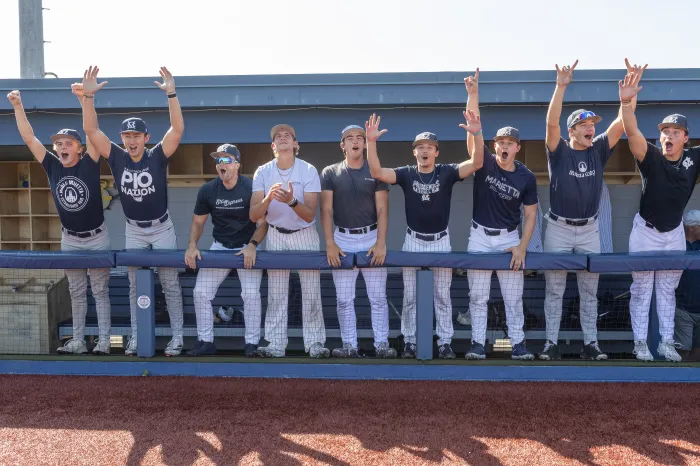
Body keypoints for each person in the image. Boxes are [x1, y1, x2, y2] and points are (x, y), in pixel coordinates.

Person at [539, 59, 645, 361]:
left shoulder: (598, 148)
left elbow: (622, 122)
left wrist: (628, 98)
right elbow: (550, 124)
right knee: (554, 290)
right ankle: (550, 343)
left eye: (593, 124)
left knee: (589, 291)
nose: (591, 128)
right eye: (585, 125)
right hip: (558, 228)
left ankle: (591, 343)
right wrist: (560, 87)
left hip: (589, 229)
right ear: (573, 130)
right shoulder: (558, 151)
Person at [81, 66, 185, 357]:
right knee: (132, 285)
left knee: (170, 283)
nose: (131, 140)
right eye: (127, 135)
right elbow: (91, 131)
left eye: (136, 135)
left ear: (145, 137)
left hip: (162, 227)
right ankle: (137, 338)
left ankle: (177, 338)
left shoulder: (156, 155)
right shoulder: (116, 155)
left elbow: (177, 130)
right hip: (134, 229)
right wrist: (88, 97)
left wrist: (171, 94)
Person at [366, 109, 484, 359]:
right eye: (420, 147)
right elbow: (377, 172)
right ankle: (409, 341)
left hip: (441, 240)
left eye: (430, 146)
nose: (425, 151)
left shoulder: (447, 171)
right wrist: (371, 142)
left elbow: (476, 163)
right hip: (413, 241)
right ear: (415, 151)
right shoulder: (408, 173)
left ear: (436, 151)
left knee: (442, 296)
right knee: (410, 297)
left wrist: (477, 133)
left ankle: (444, 342)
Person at [8, 85, 113, 355]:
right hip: (70, 238)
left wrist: (85, 100)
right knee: (76, 292)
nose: (62, 147)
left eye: (68, 143)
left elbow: (92, 131)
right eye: (59, 144)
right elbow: (29, 138)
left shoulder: (89, 161)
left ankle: (104, 342)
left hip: (96, 237)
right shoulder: (53, 165)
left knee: (100, 292)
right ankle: (78, 342)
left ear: (78, 148)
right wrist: (18, 106)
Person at [618, 70, 700, 362]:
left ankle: (666, 342)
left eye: (675, 132)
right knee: (641, 289)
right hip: (646, 230)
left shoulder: (693, 158)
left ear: (685, 138)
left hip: (674, 231)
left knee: (667, 290)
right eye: (665, 132)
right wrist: (627, 105)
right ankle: (640, 343)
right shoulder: (651, 155)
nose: (669, 136)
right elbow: (632, 133)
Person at [461, 69, 538, 360]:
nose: (504, 146)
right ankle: (477, 344)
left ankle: (517, 344)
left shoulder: (526, 177)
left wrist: (522, 246)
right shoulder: (484, 162)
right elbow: (474, 130)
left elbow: (530, 215)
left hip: (509, 238)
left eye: (509, 143)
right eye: (500, 142)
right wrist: (473, 95)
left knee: (513, 298)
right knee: (478, 298)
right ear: (495, 146)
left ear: (517, 147)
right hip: (480, 236)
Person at [249, 124, 329, 358]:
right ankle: (275, 343)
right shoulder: (262, 171)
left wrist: (292, 201)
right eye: (278, 137)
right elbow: (254, 215)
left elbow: (310, 214)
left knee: (312, 292)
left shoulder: (308, 170)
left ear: (296, 144)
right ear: (273, 146)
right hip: (275, 233)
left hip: (304, 234)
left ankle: (315, 343)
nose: (283, 138)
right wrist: (268, 199)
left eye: (288, 136)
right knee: (276, 293)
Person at [184, 144, 268, 357]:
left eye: (226, 160)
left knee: (250, 294)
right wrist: (192, 245)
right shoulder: (208, 189)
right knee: (200, 292)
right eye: (218, 160)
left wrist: (252, 245)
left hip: (246, 247)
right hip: (220, 246)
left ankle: (251, 343)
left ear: (237, 165)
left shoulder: (251, 187)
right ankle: (205, 341)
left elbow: (262, 223)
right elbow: (198, 222)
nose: (220, 164)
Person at [321, 124, 396, 358]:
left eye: (359, 138)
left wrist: (381, 242)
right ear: (342, 145)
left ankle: (382, 345)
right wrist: (330, 243)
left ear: (365, 143)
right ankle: (350, 345)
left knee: (378, 298)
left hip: (371, 237)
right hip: (342, 238)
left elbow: (383, 209)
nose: (355, 141)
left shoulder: (375, 171)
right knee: (344, 299)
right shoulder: (330, 172)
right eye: (349, 138)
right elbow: (326, 210)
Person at [675, 210, 700, 362]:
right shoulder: (676, 244)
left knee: (698, 351)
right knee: (683, 350)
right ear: (691, 228)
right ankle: (676, 385)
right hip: (683, 308)